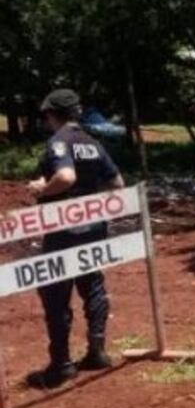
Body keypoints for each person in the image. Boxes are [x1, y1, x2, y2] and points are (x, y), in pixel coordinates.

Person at [25, 89, 125, 388]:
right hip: (93, 228)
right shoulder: (93, 143)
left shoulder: (60, 142)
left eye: (46, 115)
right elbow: (117, 183)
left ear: (52, 114)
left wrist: (42, 189)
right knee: (92, 286)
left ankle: (62, 365)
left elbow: (66, 177)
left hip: (64, 231)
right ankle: (97, 352)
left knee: (55, 294)